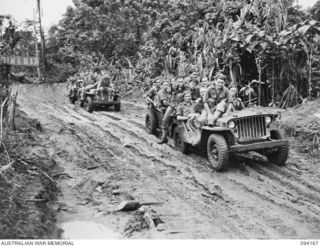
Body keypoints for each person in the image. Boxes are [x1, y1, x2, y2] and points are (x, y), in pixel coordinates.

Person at [158, 76, 187, 144]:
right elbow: (167, 91)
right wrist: (164, 100)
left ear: (184, 82)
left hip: (183, 105)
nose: (180, 83)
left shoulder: (186, 88)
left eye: (181, 81)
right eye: (179, 82)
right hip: (173, 105)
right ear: (176, 82)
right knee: (165, 120)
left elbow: (187, 96)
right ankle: (164, 137)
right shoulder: (172, 87)